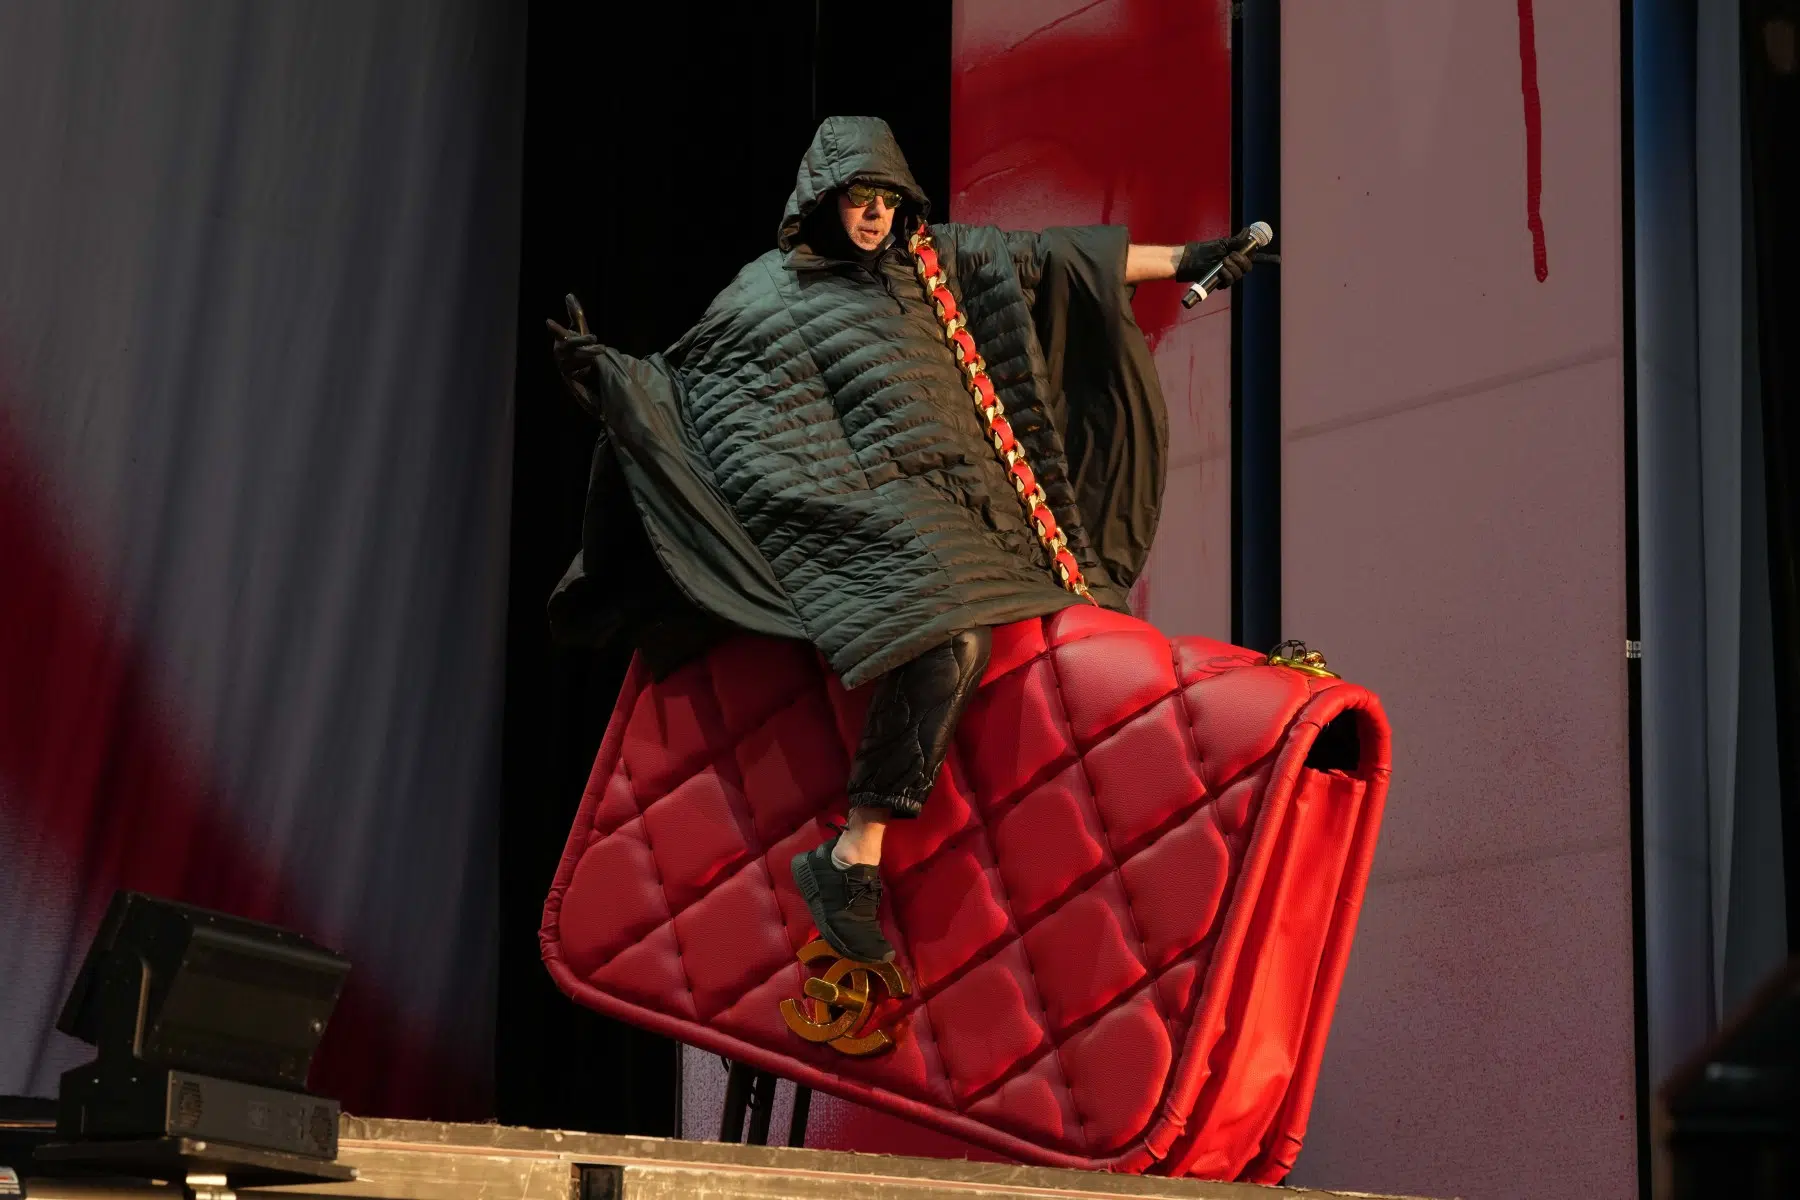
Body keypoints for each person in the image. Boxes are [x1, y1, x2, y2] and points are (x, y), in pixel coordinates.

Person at [547, 116, 1254, 965]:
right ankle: (853, 856)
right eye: (860, 196)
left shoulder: (932, 262)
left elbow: (1051, 259)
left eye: (887, 196)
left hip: (977, 506)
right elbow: (685, 383)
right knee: (953, 635)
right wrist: (606, 377)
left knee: (1077, 638)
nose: (876, 213)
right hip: (864, 517)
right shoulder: (765, 293)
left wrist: (1188, 258)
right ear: (824, 199)